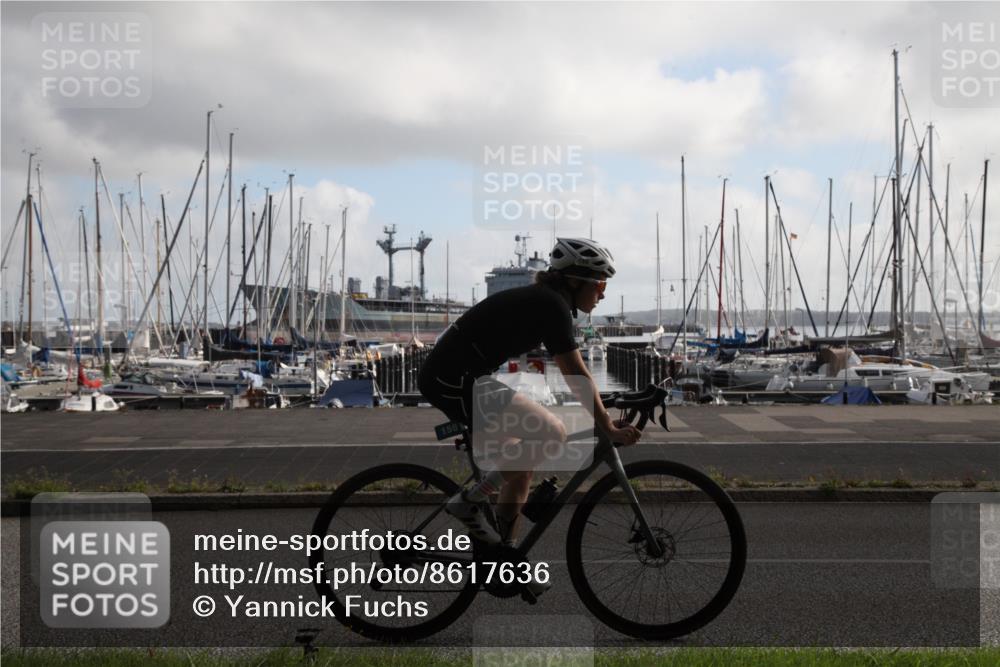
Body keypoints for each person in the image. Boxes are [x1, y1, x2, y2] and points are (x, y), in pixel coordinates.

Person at [418, 238, 642, 555]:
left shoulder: (546, 301)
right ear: (575, 280)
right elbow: (576, 374)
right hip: (453, 381)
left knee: (520, 466)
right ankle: (470, 502)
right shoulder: (552, 306)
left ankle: (503, 556)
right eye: (599, 284)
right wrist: (606, 424)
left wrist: (605, 416)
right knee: (552, 432)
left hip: (461, 378)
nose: (603, 293)